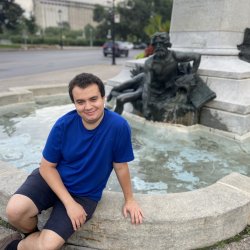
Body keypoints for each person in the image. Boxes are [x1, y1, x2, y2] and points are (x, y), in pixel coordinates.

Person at [2, 73, 143, 250]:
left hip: (84, 194)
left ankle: (18, 245)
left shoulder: (118, 126)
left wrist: (129, 199)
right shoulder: (63, 125)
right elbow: (46, 167)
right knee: (14, 211)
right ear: (74, 103)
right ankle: (32, 235)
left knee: (47, 247)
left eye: (93, 99)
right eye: (81, 102)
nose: (88, 106)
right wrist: (69, 204)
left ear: (103, 98)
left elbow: (121, 166)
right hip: (52, 180)